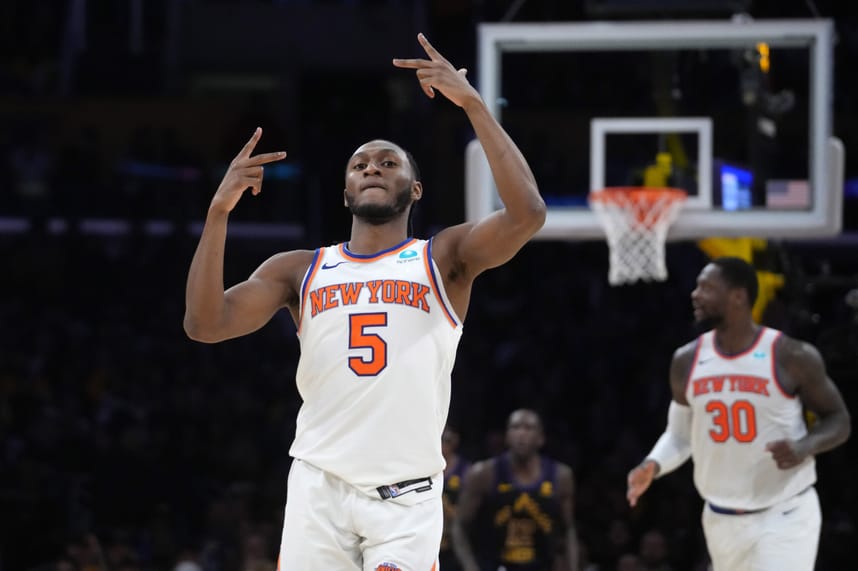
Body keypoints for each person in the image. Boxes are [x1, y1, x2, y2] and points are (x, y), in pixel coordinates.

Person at [183, 33, 546, 570]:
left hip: (406, 498)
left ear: (415, 190)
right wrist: (217, 214)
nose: (372, 168)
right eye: (360, 165)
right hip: (319, 488)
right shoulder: (301, 269)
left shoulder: (441, 258)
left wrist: (471, 102)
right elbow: (204, 324)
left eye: (387, 163)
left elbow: (528, 215)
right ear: (346, 193)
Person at [626, 256, 851, 571]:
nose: (695, 294)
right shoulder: (687, 360)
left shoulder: (789, 355)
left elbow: (839, 420)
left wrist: (805, 446)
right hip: (721, 518)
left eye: (707, 287)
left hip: (784, 513)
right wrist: (653, 464)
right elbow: (679, 435)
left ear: (738, 296)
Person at [452, 409, 580, 571]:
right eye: (516, 427)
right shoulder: (483, 474)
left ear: (541, 438)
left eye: (528, 428)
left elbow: (568, 529)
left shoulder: (561, 476)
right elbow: (459, 526)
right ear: (507, 436)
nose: (521, 434)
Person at [441, 424, 472, 571]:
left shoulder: (466, 471)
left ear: (455, 441)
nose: (442, 445)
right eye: (439, 439)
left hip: (453, 542)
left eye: (447, 440)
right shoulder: (422, 467)